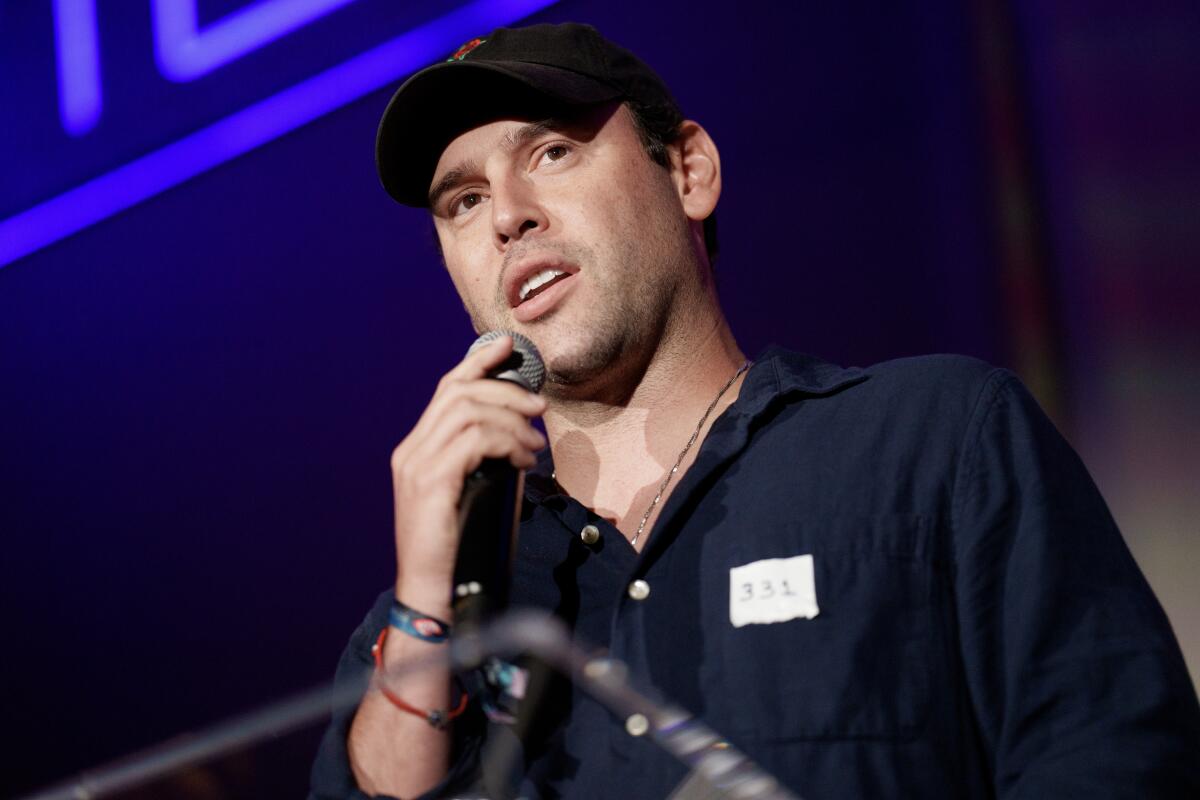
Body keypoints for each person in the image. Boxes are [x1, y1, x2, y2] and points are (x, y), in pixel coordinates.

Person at [310, 22, 1200, 800]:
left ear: (688, 169)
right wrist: (429, 604)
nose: (507, 215)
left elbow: (1115, 762)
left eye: (552, 152)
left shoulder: (934, 438)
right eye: (463, 202)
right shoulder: (436, 605)